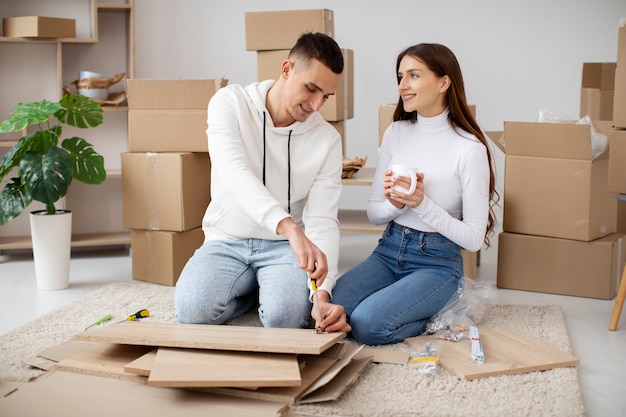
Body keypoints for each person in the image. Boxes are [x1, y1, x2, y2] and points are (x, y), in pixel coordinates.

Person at [174, 32, 351, 334]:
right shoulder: (230, 103)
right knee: (192, 311)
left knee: (288, 319)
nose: (317, 105)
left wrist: (322, 294)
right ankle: (255, 292)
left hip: (286, 249)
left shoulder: (327, 141)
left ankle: (272, 289)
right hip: (227, 239)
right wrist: (288, 226)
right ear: (286, 70)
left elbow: (322, 219)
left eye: (326, 96)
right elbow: (234, 172)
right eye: (311, 89)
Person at [331, 43, 498, 346]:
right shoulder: (396, 132)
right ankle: (403, 303)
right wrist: (395, 205)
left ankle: (441, 315)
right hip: (389, 249)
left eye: (413, 75)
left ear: (444, 82)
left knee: (368, 326)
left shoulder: (470, 148)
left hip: (437, 262)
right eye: (400, 76)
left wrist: (422, 204)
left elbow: (474, 239)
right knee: (331, 308)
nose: (402, 86)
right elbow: (373, 213)